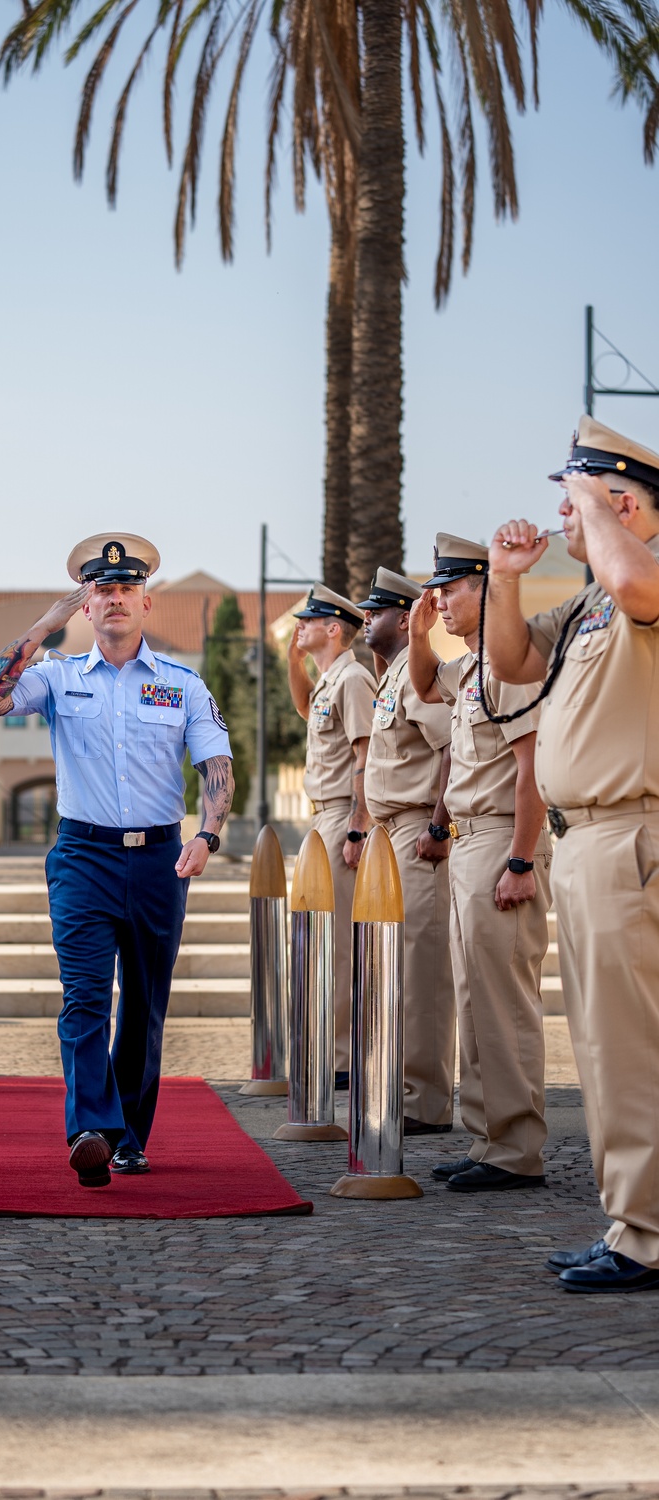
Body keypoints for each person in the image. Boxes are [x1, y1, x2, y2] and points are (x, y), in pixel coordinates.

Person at [0, 534, 233, 1187]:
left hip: (159, 860)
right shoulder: (56, 676)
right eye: (101, 590)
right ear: (87, 604)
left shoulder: (181, 684)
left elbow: (216, 764)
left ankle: (129, 1139)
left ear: (146, 602)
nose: (114, 599)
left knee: (144, 1004)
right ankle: (89, 1126)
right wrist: (43, 626)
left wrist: (209, 834)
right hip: (82, 855)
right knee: (86, 996)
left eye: (125, 590)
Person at [484, 416, 659, 1292]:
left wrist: (598, 511)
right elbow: (511, 661)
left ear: (623, 502)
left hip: (632, 832)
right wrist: (506, 582)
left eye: (574, 498)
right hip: (586, 839)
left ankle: (648, 1236)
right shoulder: (590, 599)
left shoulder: (638, 577)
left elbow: (637, 586)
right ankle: (632, 1223)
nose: (560, 516)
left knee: (632, 1047)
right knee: (601, 1045)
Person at [408, 534, 551, 1192]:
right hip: (468, 841)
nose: (441, 599)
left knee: (503, 1001)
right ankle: (488, 1137)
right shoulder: (468, 668)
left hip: (500, 839)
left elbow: (531, 773)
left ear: (488, 589)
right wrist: (419, 632)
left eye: (454, 588)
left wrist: (521, 860)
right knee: (473, 998)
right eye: (437, 588)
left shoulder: (504, 664)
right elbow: (421, 686)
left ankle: (517, 1147)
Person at [358, 567, 456, 1134]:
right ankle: (406, 1089)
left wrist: (438, 828)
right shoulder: (390, 675)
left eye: (375, 613)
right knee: (396, 969)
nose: (365, 619)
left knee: (422, 973)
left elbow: (450, 748)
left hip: (417, 831)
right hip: (390, 833)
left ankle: (426, 1102)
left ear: (404, 618)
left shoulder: (416, 678)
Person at [287, 584, 375, 1085]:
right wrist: (292, 654)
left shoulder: (353, 678)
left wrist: (358, 827)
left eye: (309, 621)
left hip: (342, 815)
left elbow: (365, 757)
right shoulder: (327, 681)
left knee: (339, 943)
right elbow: (304, 708)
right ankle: (327, 1047)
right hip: (320, 819)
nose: (300, 627)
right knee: (318, 939)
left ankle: (342, 1058)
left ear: (334, 628)